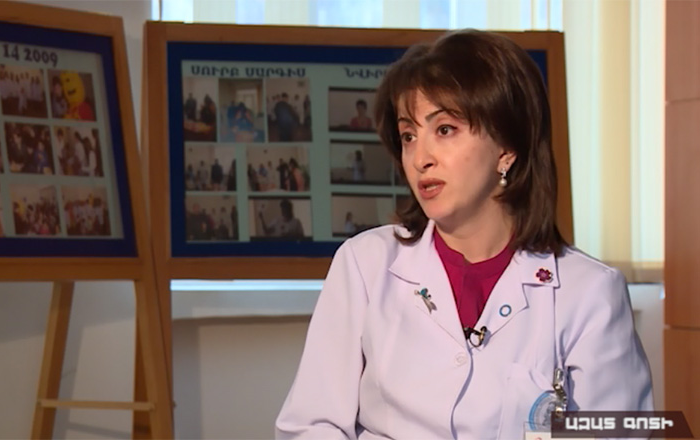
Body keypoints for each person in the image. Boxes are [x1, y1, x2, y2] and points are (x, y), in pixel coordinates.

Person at [275, 29, 653, 440]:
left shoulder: (590, 292)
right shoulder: (366, 263)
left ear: (507, 148)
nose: (420, 158)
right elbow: (310, 425)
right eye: (408, 136)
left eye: (444, 130)